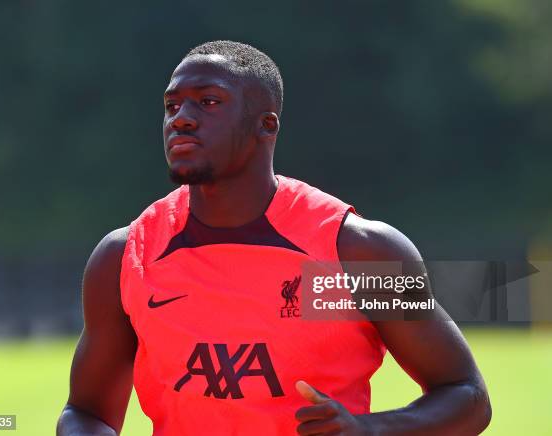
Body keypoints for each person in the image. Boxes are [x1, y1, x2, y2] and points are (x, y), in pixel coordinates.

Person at [56, 40, 491, 435]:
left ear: (266, 125)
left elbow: (466, 397)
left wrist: (369, 430)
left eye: (207, 102)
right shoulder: (125, 256)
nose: (181, 119)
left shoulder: (357, 252)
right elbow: (85, 413)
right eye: (172, 106)